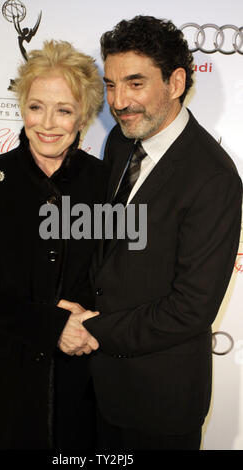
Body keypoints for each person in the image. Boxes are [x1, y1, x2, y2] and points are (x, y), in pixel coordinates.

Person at [59, 16, 243, 450]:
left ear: (175, 82)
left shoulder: (213, 177)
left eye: (135, 84)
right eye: (111, 84)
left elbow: (191, 309)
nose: (119, 101)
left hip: (158, 402)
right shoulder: (121, 143)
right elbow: (110, 251)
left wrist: (94, 329)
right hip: (97, 387)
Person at [0, 40, 107, 450]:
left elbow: (114, 272)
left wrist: (81, 325)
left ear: (84, 117)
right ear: (22, 107)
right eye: (36, 106)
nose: (47, 123)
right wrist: (51, 324)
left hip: (77, 373)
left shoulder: (105, 185)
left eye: (64, 110)